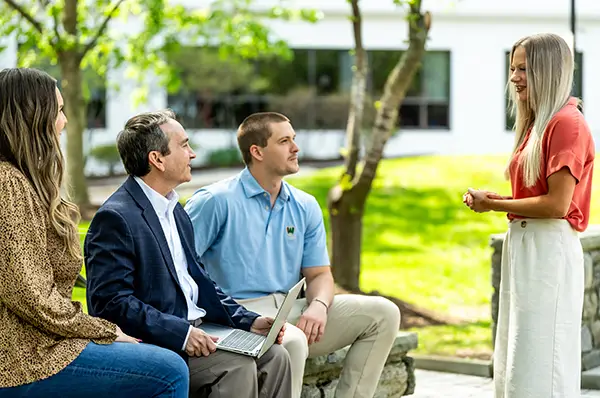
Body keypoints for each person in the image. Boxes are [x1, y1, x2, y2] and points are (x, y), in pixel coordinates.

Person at [0, 68, 190, 397]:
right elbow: (31, 298)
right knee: (170, 370)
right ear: (33, 118)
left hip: (43, 343)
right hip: (23, 359)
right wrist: (104, 329)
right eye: (58, 111)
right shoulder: (8, 184)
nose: (65, 122)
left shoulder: (20, 181)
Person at [184, 111, 401, 398]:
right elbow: (178, 265)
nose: (295, 148)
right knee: (294, 340)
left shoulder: (305, 205)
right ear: (257, 151)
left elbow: (320, 274)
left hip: (290, 309)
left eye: (293, 139)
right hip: (237, 314)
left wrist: (319, 306)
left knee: (384, 313)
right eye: (284, 141)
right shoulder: (214, 201)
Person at [84, 109, 292, 398]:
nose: (192, 154)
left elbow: (200, 283)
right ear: (157, 159)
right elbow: (111, 303)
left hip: (202, 330)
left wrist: (248, 320)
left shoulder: (176, 211)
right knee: (238, 366)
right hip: (157, 344)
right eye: (183, 145)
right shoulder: (116, 218)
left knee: (277, 357)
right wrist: (180, 333)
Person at [463, 33, 595, 397]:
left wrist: (495, 205)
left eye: (524, 68)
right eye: (512, 69)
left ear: (546, 71)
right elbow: (539, 197)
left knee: (542, 362)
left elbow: (557, 205)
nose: (515, 77)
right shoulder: (538, 124)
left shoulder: (567, 123)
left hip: (548, 251)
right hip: (526, 247)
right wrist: (498, 199)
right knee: (518, 360)